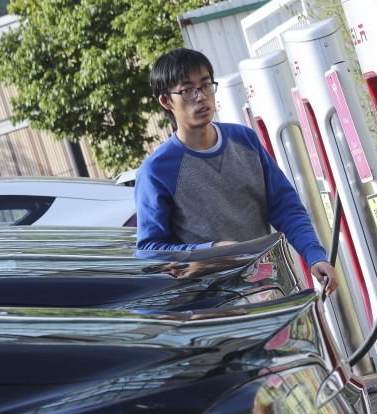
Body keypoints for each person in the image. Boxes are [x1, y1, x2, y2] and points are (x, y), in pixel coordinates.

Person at [134, 48, 337, 295]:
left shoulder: (244, 139)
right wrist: (212, 251)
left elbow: (286, 207)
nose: (201, 97)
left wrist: (314, 255)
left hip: (272, 288)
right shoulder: (156, 170)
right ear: (166, 101)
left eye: (206, 85)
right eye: (187, 90)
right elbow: (150, 251)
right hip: (210, 304)